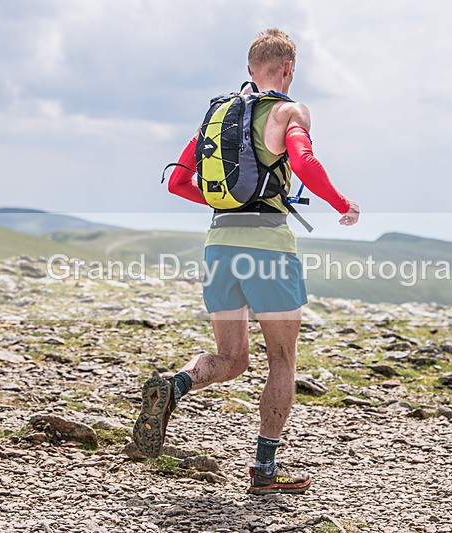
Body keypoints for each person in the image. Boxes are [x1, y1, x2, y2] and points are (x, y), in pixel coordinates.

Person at [133, 28, 359, 495]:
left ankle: (175, 386)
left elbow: (178, 181)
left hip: (219, 243)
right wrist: (341, 204)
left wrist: (234, 207)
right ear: (289, 69)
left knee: (231, 358)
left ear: (249, 70)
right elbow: (304, 161)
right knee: (282, 358)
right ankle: (264, 469)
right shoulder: (288, 111)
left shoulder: (216, 117)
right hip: (269, 247)